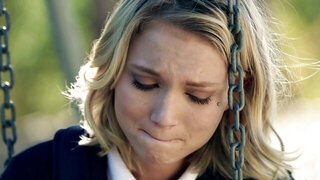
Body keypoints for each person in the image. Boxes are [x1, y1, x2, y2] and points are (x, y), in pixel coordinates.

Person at [1, 0, 295, 179]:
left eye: (197, 96)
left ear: (235, 94)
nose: (164, 116)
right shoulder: (37, 172)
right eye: (145, 83)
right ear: (113, 69)